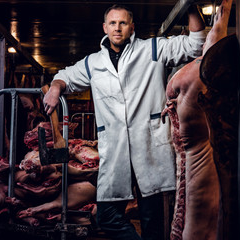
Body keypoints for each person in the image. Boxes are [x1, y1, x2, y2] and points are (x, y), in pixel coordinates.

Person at [43, 4, 206, 240]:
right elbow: (64, 76)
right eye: (112, 23)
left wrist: (191, 7)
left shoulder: (152, 49)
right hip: (116, 151)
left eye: (122, 23)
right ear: (104, 27)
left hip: (151, 148)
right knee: (106, 217)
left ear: (132, 26)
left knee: (154, 226)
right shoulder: (93, 63)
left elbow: (196, 44)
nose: (117, 28)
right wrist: (56, 88)